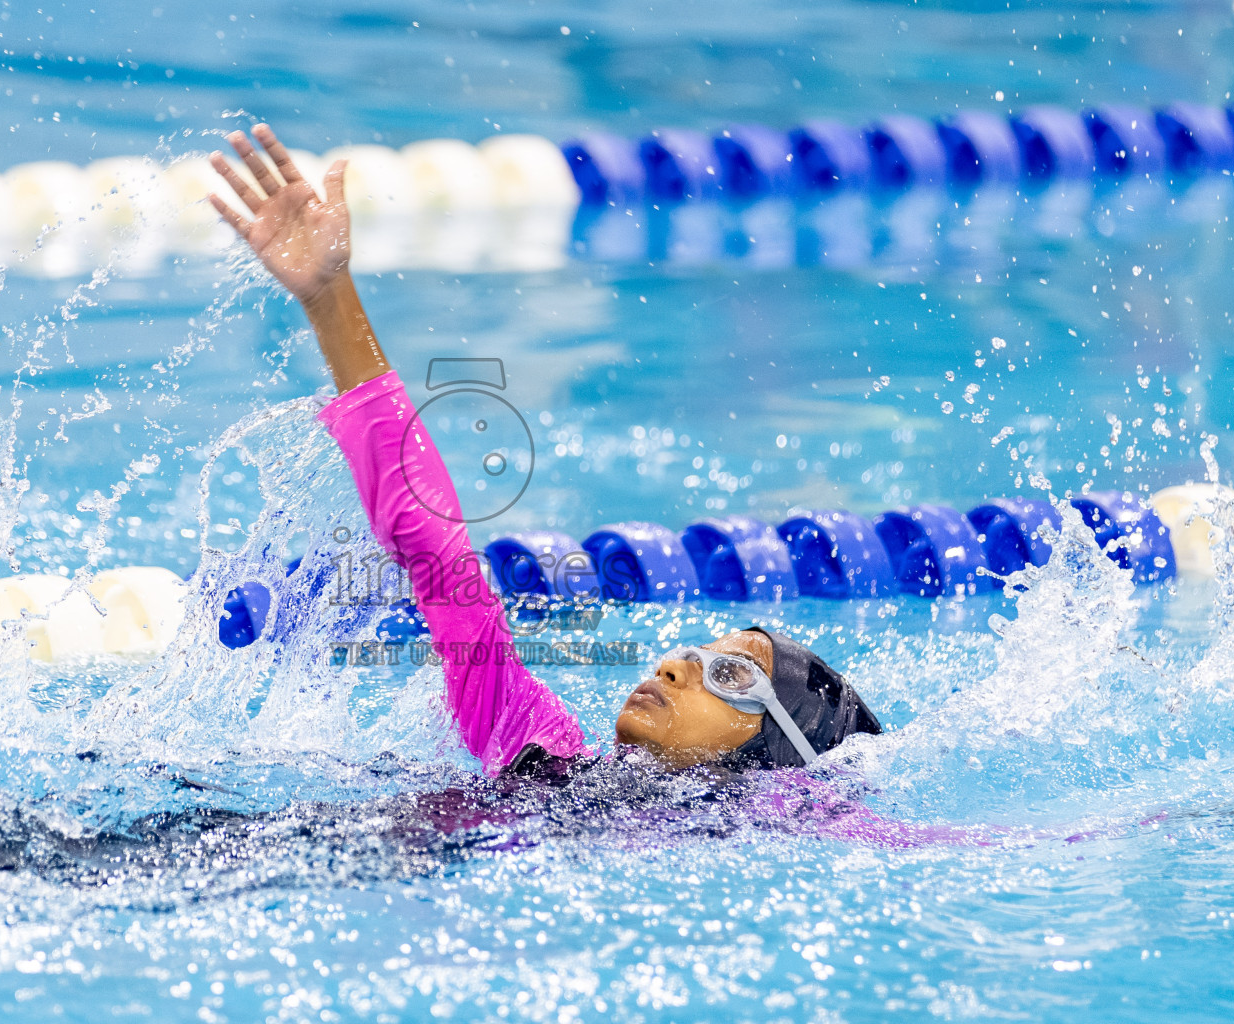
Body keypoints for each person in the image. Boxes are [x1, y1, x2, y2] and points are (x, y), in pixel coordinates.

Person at [208, 124, 883, 781]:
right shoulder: (535, 740)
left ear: (778, 752)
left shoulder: (771, 832)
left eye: (730, 675)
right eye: (695, 652)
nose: (675, 666)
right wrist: (330, 297)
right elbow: (436, 551)